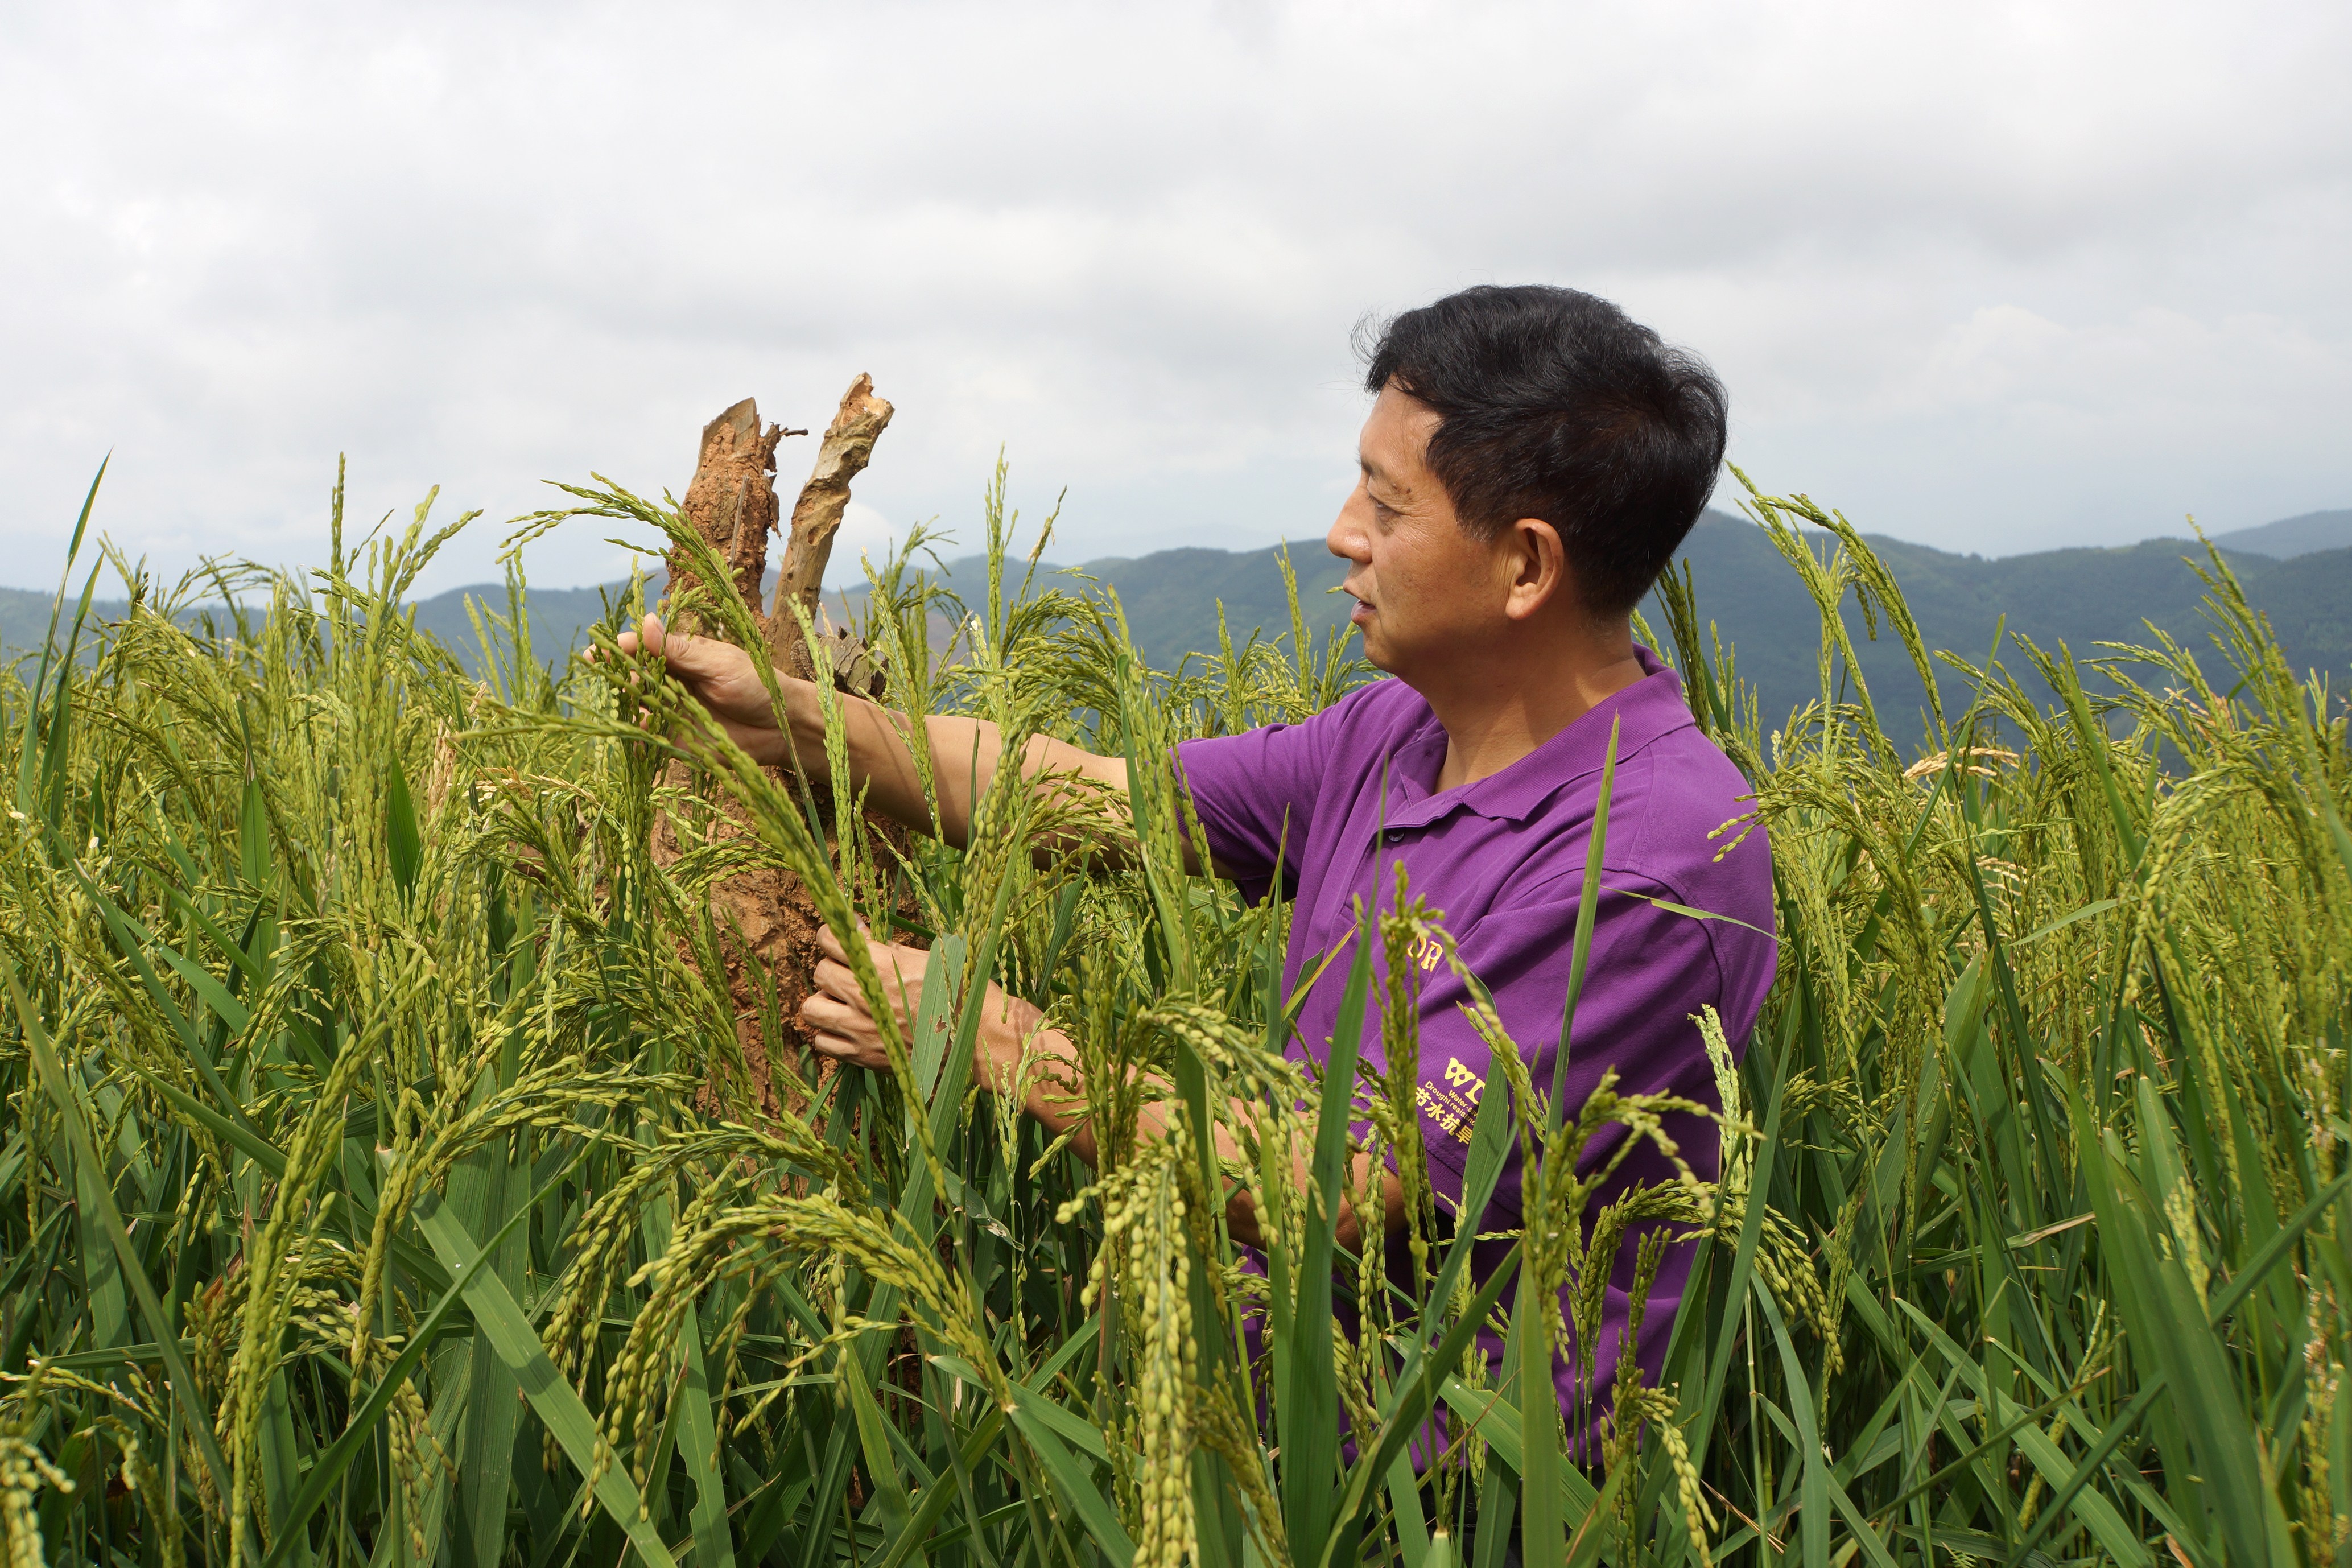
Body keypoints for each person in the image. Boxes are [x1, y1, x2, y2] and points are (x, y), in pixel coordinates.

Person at [616, 284, 1776, 1446]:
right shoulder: (1397, 736)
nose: (1343, 532)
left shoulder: (1654, 859)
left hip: (1448, 1496)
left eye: (1385, 502)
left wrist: (988, 1033)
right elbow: (1088, 799)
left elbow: (1340, 1189)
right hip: (1258, 1443)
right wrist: (792, 720)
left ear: (1526, 565)